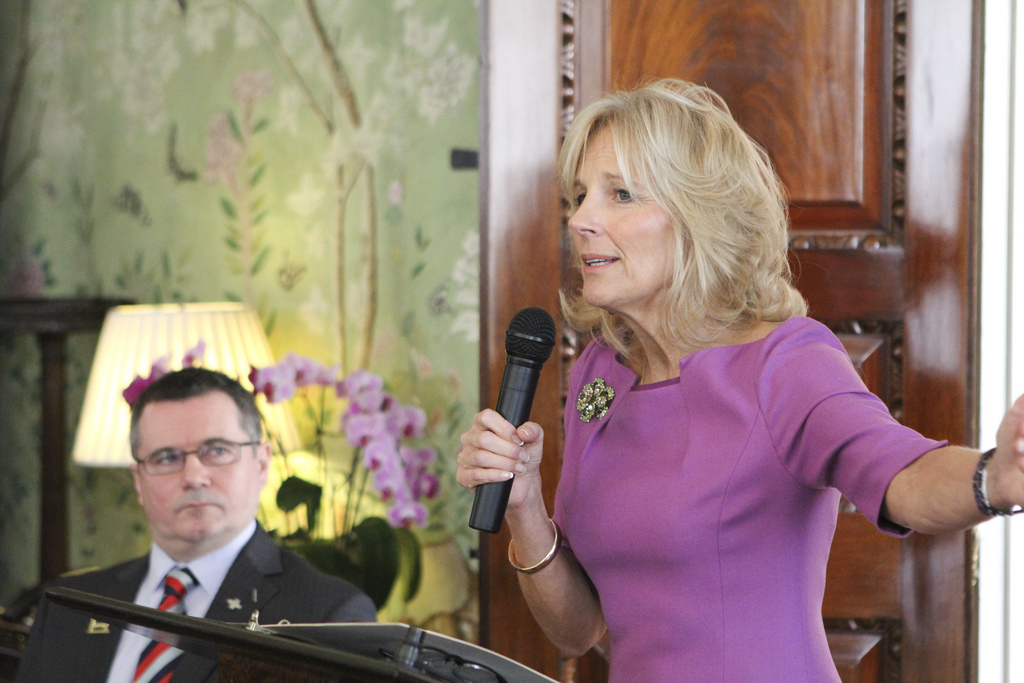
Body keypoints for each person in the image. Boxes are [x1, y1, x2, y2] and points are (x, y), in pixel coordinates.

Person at [456, 79, 1024, 682]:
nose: (581, 220)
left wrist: (995, 478)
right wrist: (524, 507)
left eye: (620, 194)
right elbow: (577, 630)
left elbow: (899, 471)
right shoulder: (602, 373)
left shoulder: (785, 362)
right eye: (579, 195)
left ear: (698, 217)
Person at [16, 367, 377, 683]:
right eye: (167, 457)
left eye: (217, 450)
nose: (194, 476)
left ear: (262, 464)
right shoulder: (71, 603)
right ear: (139, 480)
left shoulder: (327, 615)